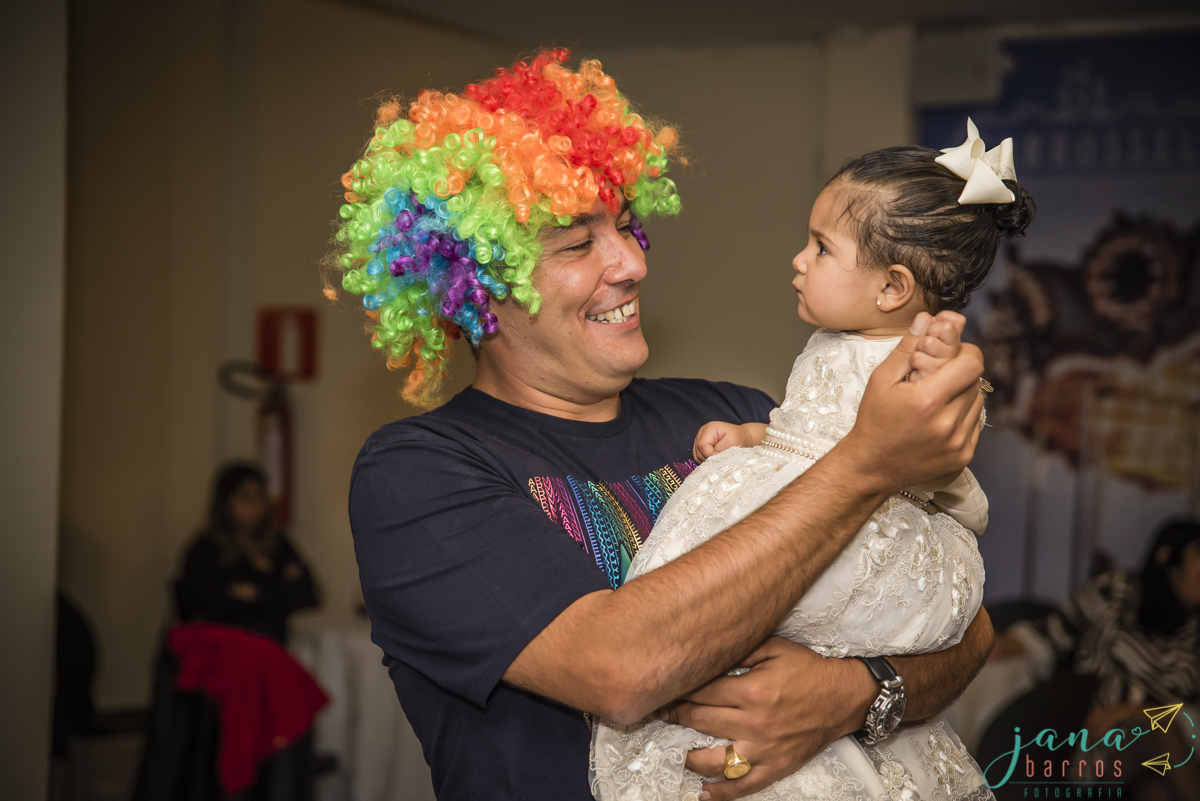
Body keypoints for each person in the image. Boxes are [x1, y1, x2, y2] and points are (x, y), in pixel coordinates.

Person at [336, 50, 994, 800]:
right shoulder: (418, 471)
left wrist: (856, 693)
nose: (631, 262)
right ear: (479, 288)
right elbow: (620, 670)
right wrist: (864, 464)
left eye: (623, 226)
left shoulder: (747, 414)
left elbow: (967, 627)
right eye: (579, 244)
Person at [591, 128, 1034, 799]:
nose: (798, 260)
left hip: (867, 533)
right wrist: (752, 438)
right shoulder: (832, 342)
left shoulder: (909, 361)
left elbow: (917, 465)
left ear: (893, 287)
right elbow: (810, 438)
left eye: (821, 247)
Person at [996, 518, 1200, 800]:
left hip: (1164, 744)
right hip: (1094, 739)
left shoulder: (1195, 632)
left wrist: (1138, 712)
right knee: (1162, 737)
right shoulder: (1117, 592)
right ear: (1167, 556)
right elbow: (1051, 633)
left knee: (1156, 789)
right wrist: (997, 644)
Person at [176, 462, 318, 643]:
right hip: (226, 650)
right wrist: (280, 588)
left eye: (260, 497)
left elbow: (308, 596)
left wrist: (256, 593)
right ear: (225, 502)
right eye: (245, 498)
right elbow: (212, 607)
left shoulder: (278, 544)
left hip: (277, 648)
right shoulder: (205, 550)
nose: (255, 507)